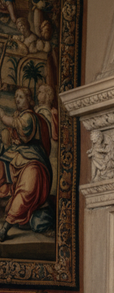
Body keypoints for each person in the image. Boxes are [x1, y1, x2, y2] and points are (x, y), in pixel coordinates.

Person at [0, 86, 53, 241]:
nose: (17, 99)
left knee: (27, 189)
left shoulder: (29, 117)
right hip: (17, 156)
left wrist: (3, 116)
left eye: (21, 97)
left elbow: (20, 127)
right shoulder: (20, 115)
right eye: (16, 96)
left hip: (34, 161)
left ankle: (5, 228)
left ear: (29, 100)